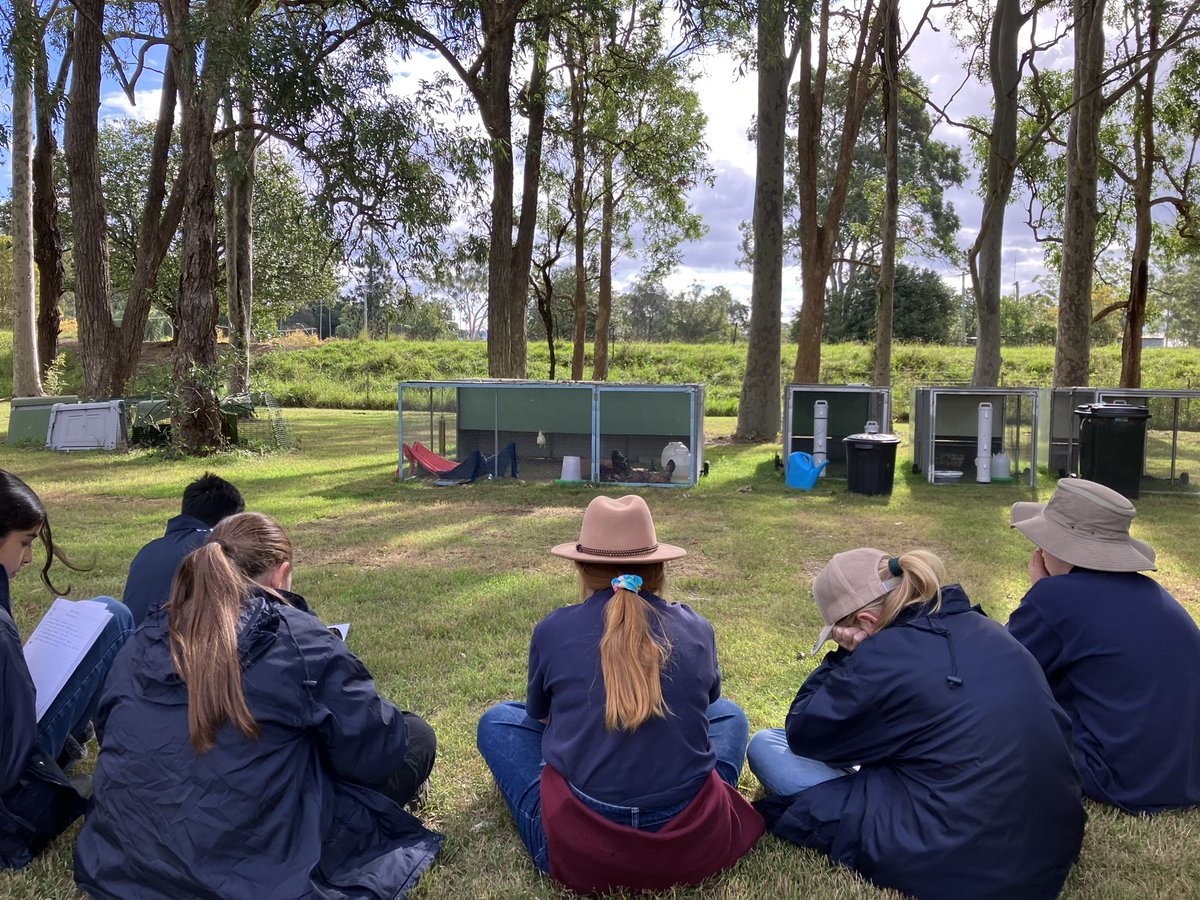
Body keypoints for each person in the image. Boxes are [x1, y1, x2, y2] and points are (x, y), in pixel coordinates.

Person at [75, 512, 442, 899]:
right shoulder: (298, 638)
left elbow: (109, 728)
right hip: (255, 870)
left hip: (121, 863)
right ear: (281, 575)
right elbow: (378, 752)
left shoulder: (144, 635)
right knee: (416, 736)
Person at [749, 547, 1086, 900]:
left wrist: (843, 657)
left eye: (838, 632)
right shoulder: (985, 626)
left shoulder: (883, 654)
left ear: (865, 621)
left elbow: (804, 732)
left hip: (956, 855)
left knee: (766, 746)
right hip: (1047, 846)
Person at [476, 495, 763, 895]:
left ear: (581, 568)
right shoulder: (697, 626)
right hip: (692, 841)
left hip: (581, 846)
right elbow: (711, 702)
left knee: (498, 720)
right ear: (659, 568)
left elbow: (538, 717)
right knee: (730, 715)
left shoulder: (553, 630)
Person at [1008, 477, 1200, 813]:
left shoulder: (1056, 597)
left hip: (1117, 778)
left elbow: (1002, 667)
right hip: (1187, 777)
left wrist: (1039, 591)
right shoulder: (1152, 593)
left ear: (1060, 545)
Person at [0, 469, 134, 870]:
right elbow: (12, 750)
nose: (28, 557)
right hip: (11, 786)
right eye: (25, 542)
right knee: (114, 617)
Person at [123, 472, 245, 624]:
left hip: (137, 637)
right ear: (229, 521)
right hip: (180, 637)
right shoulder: (214, 549)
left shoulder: (148, 550)